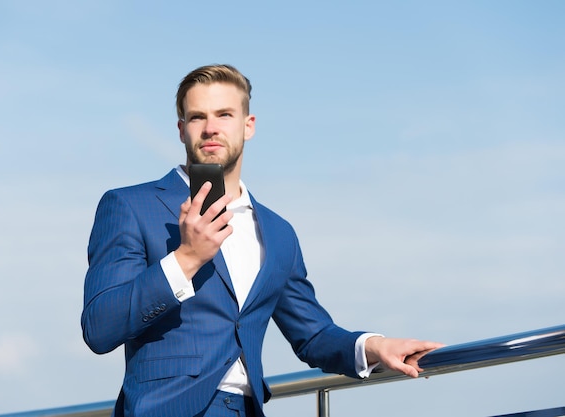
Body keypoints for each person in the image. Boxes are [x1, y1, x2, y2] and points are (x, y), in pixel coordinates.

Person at [81, 64, 443, 417]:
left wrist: (375, 346)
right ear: (181, 130)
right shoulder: (129, 205)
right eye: (197, 117)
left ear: (248, 126)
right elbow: (100, 327)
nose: (210, 128)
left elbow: (312, 334)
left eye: (224, 114)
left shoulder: (278, 231)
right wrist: (186, 258)